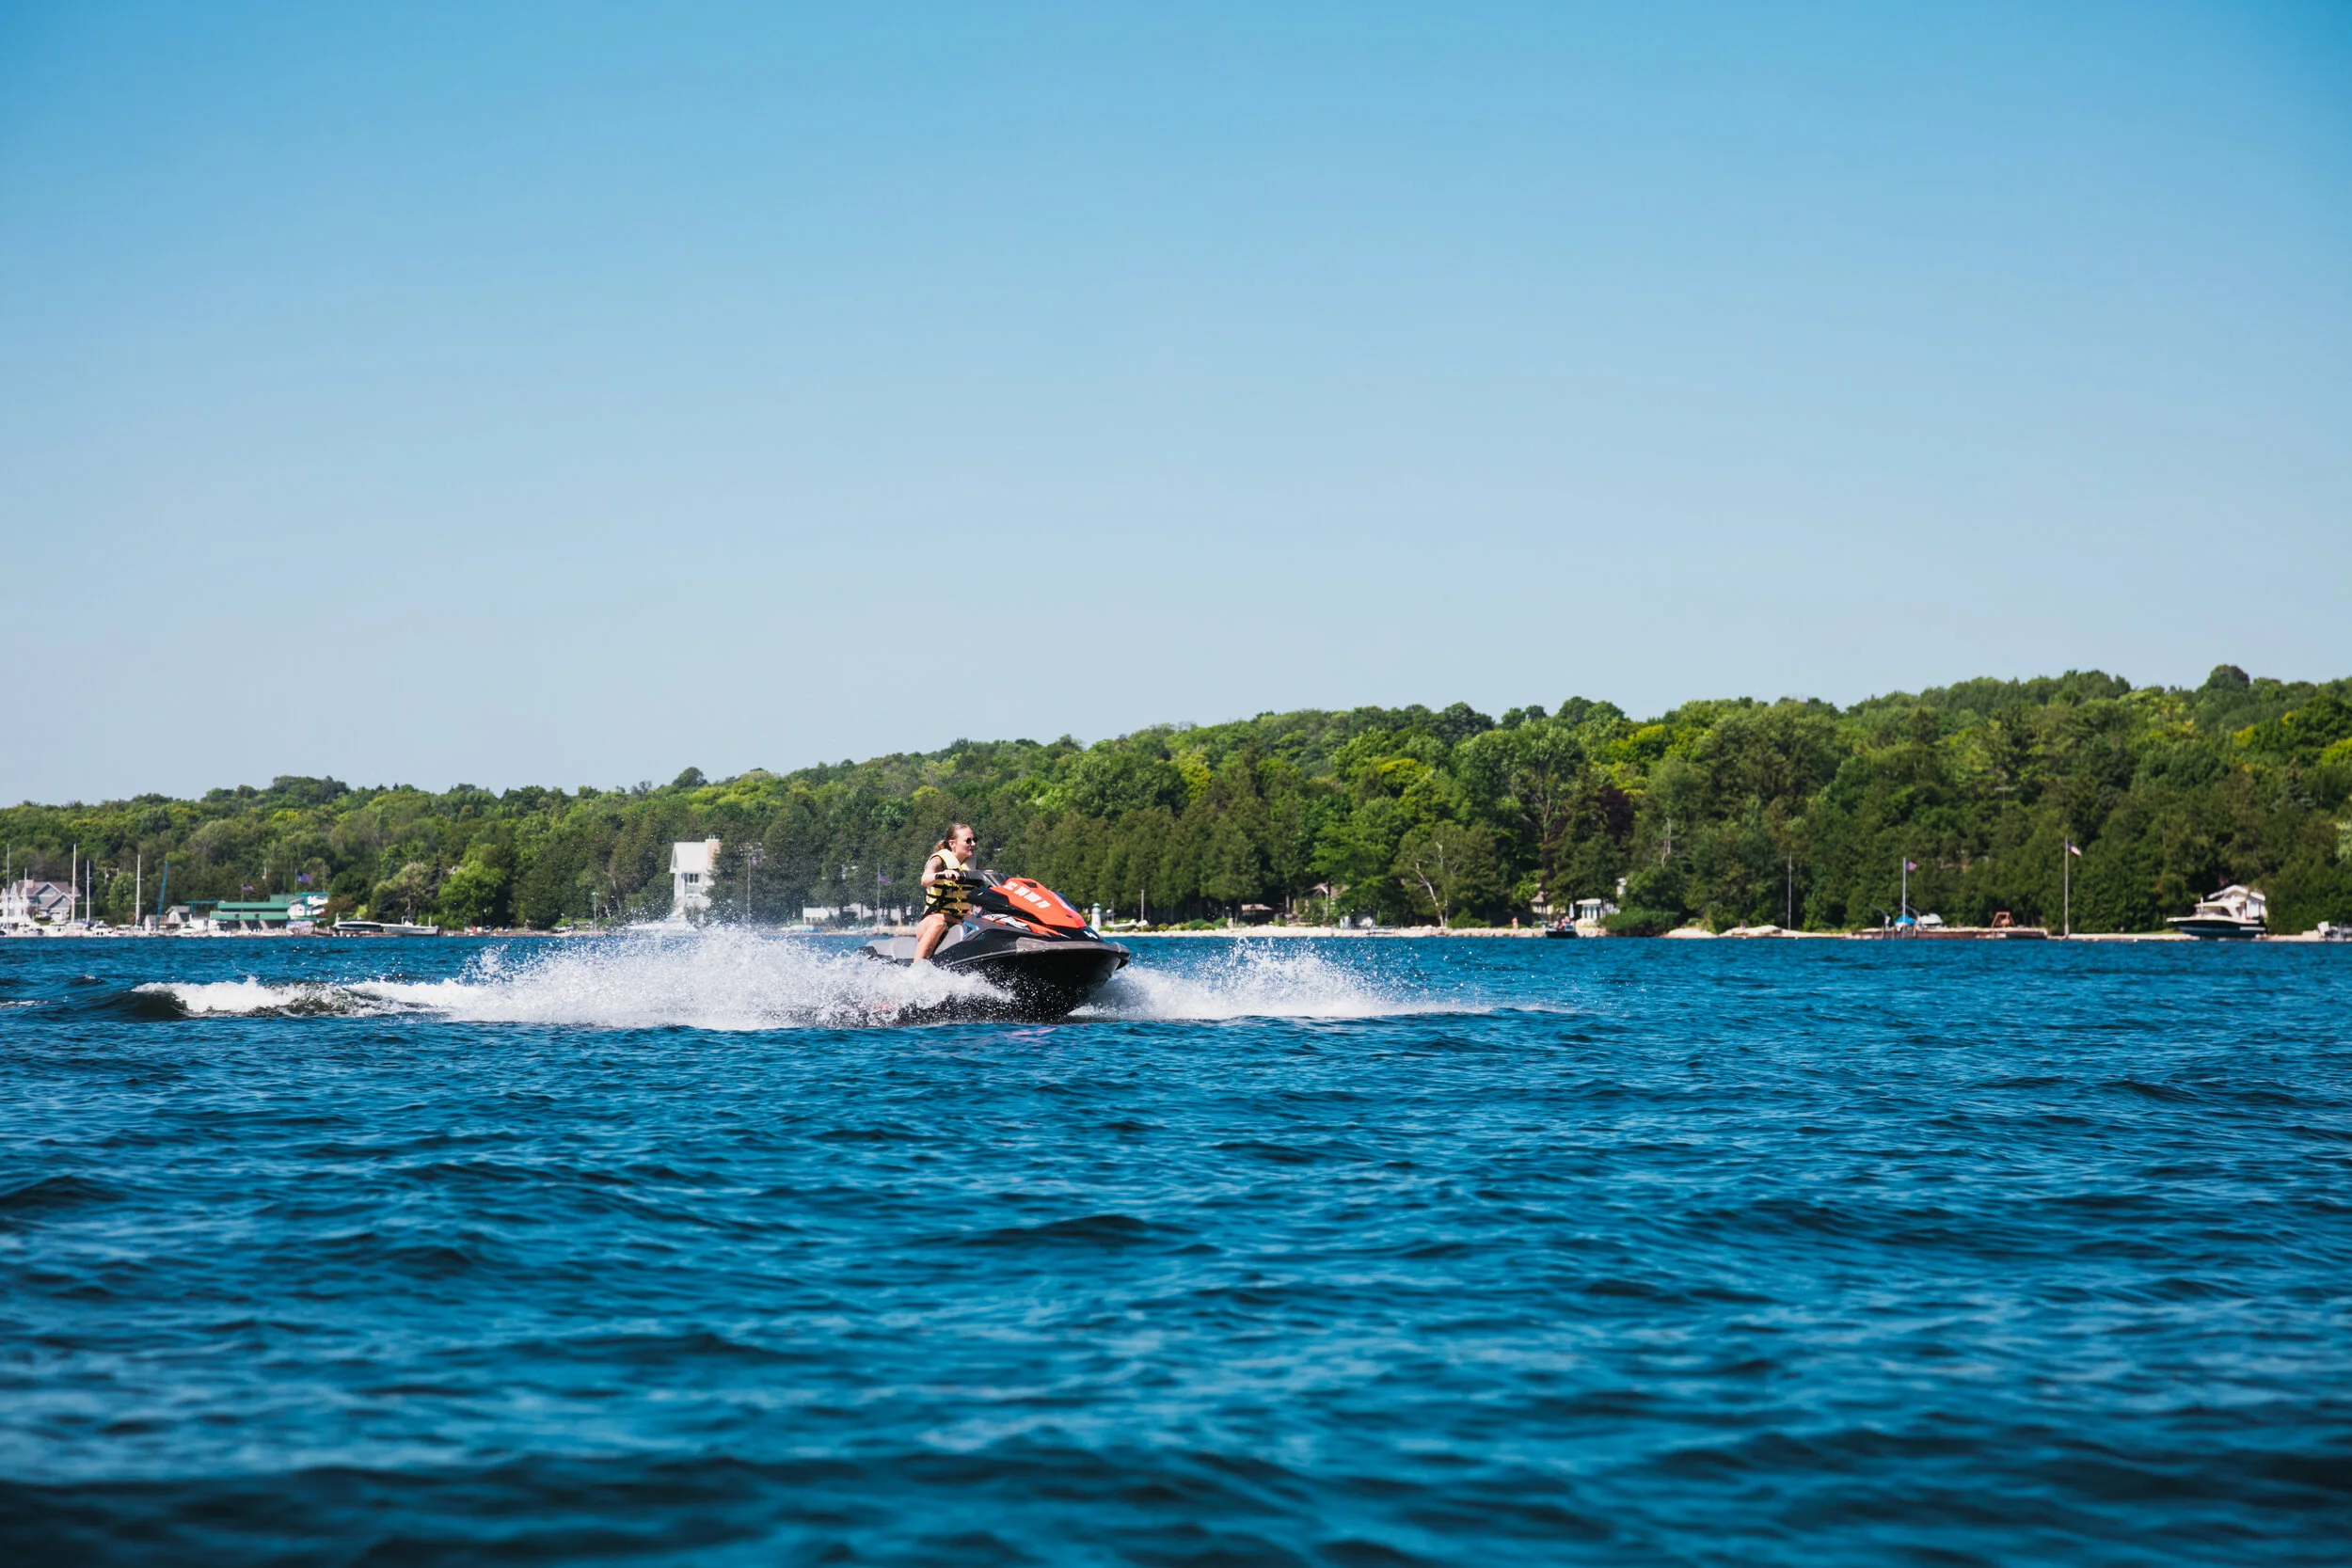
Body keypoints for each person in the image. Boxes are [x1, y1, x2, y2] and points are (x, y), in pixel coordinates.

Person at [914, 824, 981, 962]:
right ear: (952, 843)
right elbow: (925, 880)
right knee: (938, 924)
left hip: (962, 921)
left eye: (974, 840)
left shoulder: (975, 864)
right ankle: (916, 969)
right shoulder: (938, 860)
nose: (973, 844)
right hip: (933, 920)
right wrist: (942, 875)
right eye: (968, 841)